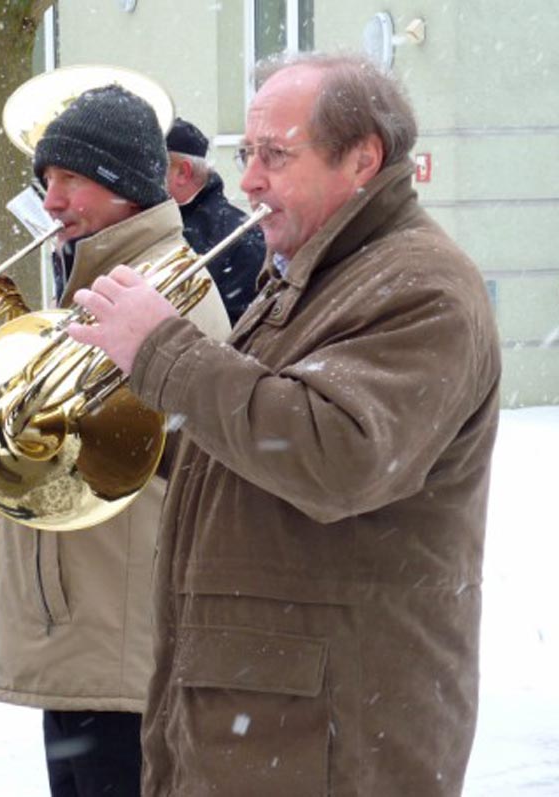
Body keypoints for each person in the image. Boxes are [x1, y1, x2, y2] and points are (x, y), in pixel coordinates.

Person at [67, 53, 501, 796]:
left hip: (326, 734)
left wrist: (164, 349)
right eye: (247, 154)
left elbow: (334, 454)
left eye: (274, 155)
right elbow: (253, 447)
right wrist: (110, 425)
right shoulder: (311, 274)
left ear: (362, 158)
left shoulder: (420, 287)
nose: (250, 181)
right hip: (262, 716)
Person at [0, 84, 231, 797]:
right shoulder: (101, 277)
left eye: (71, 179)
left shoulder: (156, 287)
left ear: (126, 187)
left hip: (119, 632)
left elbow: (40, 428)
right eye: (47, 180)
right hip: (89, 626)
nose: (50, 201)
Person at [165, 116, 266, 325]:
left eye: (152, 166)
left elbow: (237, 334)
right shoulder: (148, 221)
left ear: (183, 172)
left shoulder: (241, 238)